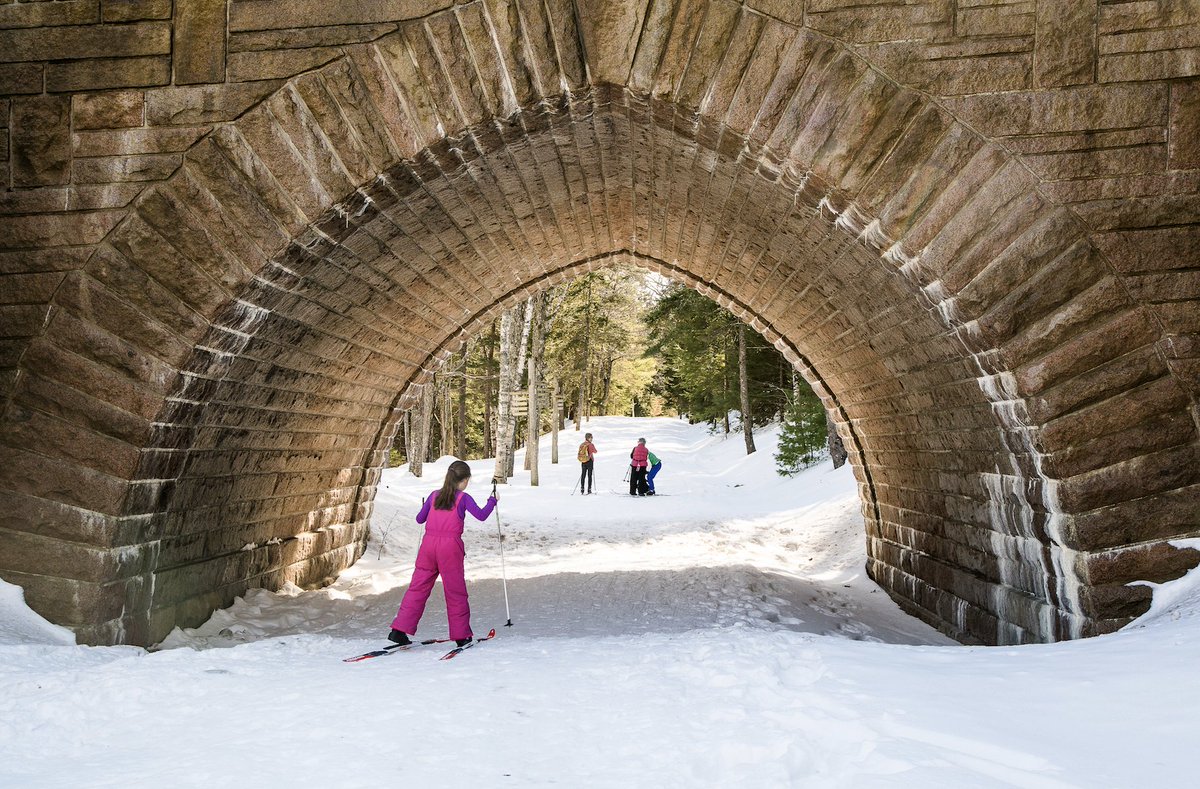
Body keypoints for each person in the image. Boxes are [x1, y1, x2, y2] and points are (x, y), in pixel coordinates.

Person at [387, 460, 496, 648]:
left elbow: (419, 519)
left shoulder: (433, 496)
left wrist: (427, 506)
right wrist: (492, 501)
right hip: (450, 548)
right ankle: (461, 635)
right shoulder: (464, 498)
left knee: (417, 588)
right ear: (465, 480)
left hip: (428, 546)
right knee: (455, 591)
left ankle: (399, 630)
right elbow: (481, 515)